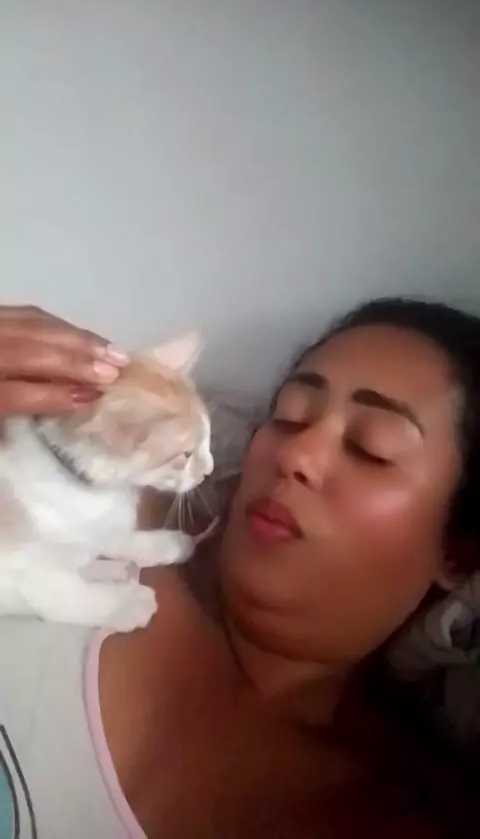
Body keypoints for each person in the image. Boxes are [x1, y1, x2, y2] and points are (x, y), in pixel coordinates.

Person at [0, 299, 478, 838]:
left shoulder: (404, 815)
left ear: (458, 552)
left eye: (372, 449)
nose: (296, 455)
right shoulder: (87, 507)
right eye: (290, 417)